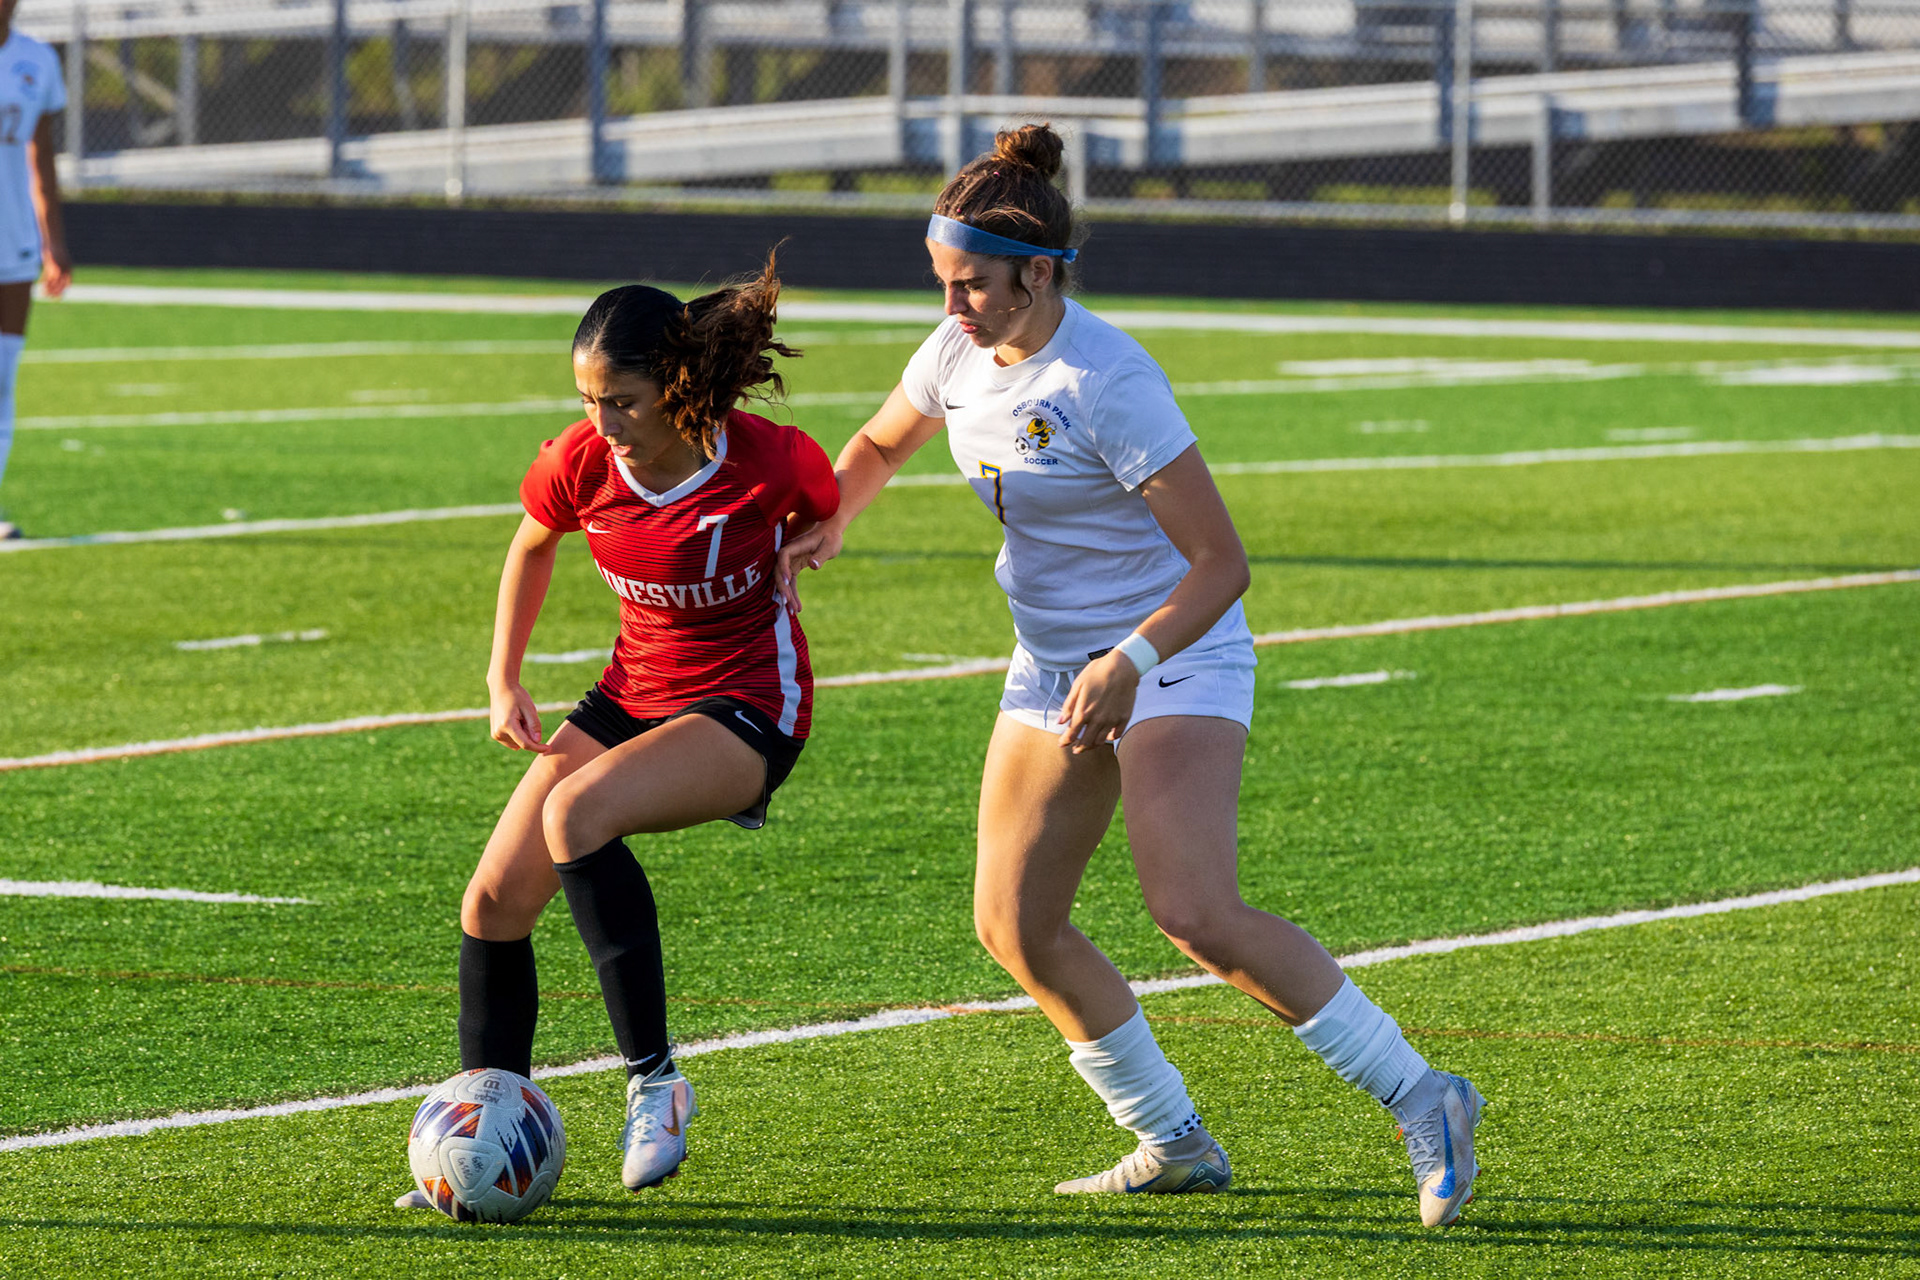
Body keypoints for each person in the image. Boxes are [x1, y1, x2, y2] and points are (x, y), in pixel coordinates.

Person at [777, 124, 1484, 1226]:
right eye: (941, 281)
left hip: (1174, 651)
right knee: (1014, 924)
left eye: (971, 285)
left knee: (1193, 910)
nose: (952, 306)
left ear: (1039, 274)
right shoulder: (955, 350)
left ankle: (1424, 1094)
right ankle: (1173, 1138)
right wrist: (829, 520)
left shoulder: (1107, 380)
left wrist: (1130, 660)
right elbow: (876, 446)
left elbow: (1222, 564)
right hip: (1055, 665)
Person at [399, 257, 838, 1207]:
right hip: (633, 689)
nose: (602, 423)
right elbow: (530, 545)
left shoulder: (766, 459)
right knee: (492, 903)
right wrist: (502, 677)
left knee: (577, 815)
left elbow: (825, 500)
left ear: (678, 387)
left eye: (622, 401)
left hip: (750, 703)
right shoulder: (581, 462)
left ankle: (655, 1083)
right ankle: (483, 1135)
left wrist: (825, 533)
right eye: (588, 401)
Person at [0, 0, 72, 540]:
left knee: (2, 380)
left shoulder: (38, 59)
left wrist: (55, 243)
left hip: (15, 242)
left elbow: (41, 157)